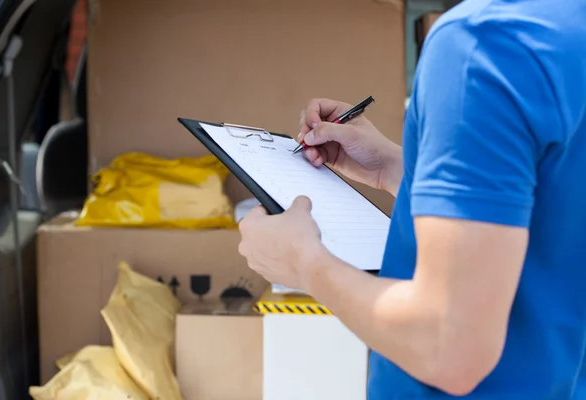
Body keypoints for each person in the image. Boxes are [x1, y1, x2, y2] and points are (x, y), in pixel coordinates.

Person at [237, 0, 586, 398]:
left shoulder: (484, 43)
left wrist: (302, 262)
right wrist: (396, 169)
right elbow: (556, 214)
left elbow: (447, 347)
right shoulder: (567, 34)